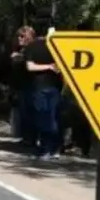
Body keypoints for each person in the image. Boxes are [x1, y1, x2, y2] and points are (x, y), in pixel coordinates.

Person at [24, 19, 62, 160]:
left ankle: (45, 149)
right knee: (53, 117)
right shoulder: (57, 46)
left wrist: (47, 67)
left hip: (39, 86)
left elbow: (30, 67)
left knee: (43, 118)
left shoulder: (32, 46)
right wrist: (51, 67)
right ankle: (55, 148)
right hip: (55, 86)